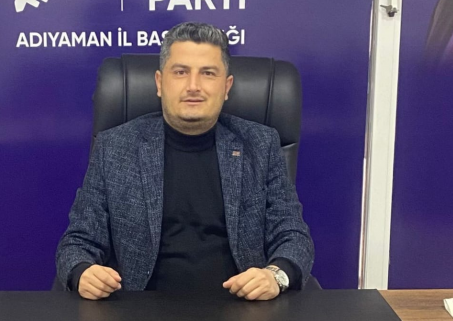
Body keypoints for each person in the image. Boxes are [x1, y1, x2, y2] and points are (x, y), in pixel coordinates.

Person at [55, 22, 315, 301]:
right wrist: (82, 272)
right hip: (141, 307)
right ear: (159, 83)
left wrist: (275, 275)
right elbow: (77, 241)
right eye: (180, 72)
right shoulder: (115, 147)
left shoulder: (260, 145)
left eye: (208, 73)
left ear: (226, 86)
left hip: (241, 305)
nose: (193, 86)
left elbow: (293, 235)